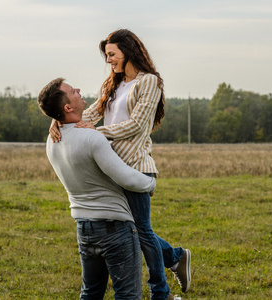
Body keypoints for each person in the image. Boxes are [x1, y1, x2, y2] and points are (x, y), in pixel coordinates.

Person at [49, 29, 191, 300]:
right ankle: (175, 257)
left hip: (136, 165)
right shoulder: (112, 83)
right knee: (133, 230)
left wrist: (97, 133)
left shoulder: (149, 81)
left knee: (141, 230)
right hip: (114, 165)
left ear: (128, 51)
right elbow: (88, 113)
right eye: (106, 56)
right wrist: (58, 118)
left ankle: (161, 293)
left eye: (112, 54)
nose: (109, 60)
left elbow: (138, 124)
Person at [38, 77, 157, 300]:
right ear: (68, 107)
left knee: (91, 292)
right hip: (115, 228)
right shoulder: (92, 138)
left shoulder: (52, 140)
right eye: (73, 91)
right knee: (127, 295)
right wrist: (150, 183)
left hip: (84, 228)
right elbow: (125, 177)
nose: (78, 90)